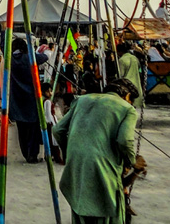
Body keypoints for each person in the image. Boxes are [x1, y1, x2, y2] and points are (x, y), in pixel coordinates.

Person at [54, 78, 140, 224]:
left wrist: (70, 155)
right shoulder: (127, 109)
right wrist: (133, 162)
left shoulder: (82, 100)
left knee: (80, 210)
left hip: (76, 167)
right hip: (103, 171)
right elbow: (125, 141)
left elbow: (58, 130)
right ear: (127, 96)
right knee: (107, 212)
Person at [9, 38, 47, 163]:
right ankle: (32, 155)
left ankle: (26, 153)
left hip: (17, 100)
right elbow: (44, 57)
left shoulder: (10, 60)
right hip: (31, 98)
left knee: (21, 130)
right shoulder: (29, 58)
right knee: (33, 129)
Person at [116, 43, 144, 114]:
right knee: (133, 104)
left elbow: (121, 74)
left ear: (120, 51)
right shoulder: (134, 58)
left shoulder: (122, 60)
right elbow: (139, 70)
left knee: (127, 103)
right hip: (136, 83)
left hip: (126, 85)